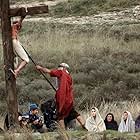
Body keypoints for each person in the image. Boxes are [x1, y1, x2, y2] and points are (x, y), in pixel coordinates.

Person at [36, 63, 85, 129]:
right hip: (69, 99)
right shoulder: (69, 76)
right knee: (75, 114)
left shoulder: (61, 72)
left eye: (60, 67)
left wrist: (40, 68)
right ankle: (85, 126)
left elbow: (49, 71)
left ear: (64, 68)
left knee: (60, 116)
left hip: (62, 99)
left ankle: (63, 132)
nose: (58, 68)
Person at [11, 8, 29, 78]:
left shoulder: (12, 27)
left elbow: (20, 21)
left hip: (10, 42)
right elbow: (20, 20)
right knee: (26, 59)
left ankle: (14, 70)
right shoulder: (14, 26)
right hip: (14, 41)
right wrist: (22, 16)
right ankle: (17, 71)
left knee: (14, 58)